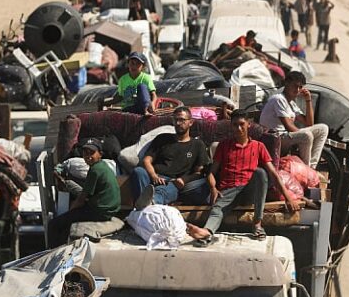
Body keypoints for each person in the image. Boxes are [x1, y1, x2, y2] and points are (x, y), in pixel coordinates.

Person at [186, 110, 300, 246]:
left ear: (249, 125)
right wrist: (213, 189)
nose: (238, 128)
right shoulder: (224, 145)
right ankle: (206, 233)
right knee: (217, 209)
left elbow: (273, 173)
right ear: (231, 126)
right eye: (235, 125)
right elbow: (212, 172)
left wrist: (288, 197)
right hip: (228, 189)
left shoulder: (258, 146)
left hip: (249, 190)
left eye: (242, 124)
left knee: (260, 173)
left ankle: (257, 224)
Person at [132, 107, 211, 206]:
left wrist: (184, 180)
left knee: (164, 190)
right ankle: (144, 203)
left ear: (190, 122)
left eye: (182, 120)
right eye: (175, 120)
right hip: (154, 176)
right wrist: (154, 176)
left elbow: (199, 172)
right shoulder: (162, 138)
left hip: (173, 182)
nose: (178, 123)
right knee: (138, 171)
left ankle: (150, 203)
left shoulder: (197, 144)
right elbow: (147, 160)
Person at [48, 139, 121, 247]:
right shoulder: (103, 166)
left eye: (91, 153)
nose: (88, 156)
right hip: (108, 209)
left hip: (100, 211)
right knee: (70, 186)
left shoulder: (95, 170)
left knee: (54, 224)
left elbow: (81, 199)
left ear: (100, 154)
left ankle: (52, 251)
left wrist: (71, 210)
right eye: (85, 153)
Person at [259, 71, 329, 168]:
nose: (297, 90)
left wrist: (308, 100)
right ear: (286, 83)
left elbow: (309, 123)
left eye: (300, 87)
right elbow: (289, 126)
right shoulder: (278, 99)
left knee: (323, 128)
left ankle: (312, 167)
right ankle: (306, 168)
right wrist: (304, 135)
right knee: (306, 135)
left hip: (285, 137)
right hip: (275, 138)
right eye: (295, 86)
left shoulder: (291, 103)